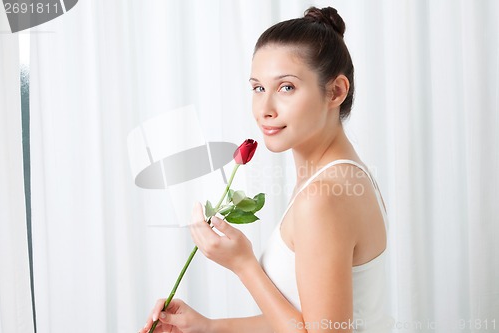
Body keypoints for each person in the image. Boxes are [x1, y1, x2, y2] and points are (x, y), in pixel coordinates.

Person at [140, 6, 391, 333]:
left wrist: (243, 264)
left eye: (286, 87)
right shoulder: (339, 176)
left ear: (336, 91)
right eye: (258, 88)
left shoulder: (325, 196)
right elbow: (307, 320)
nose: (264, 109)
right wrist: (208, 327)